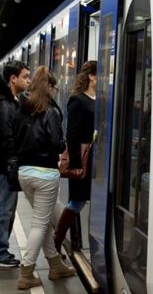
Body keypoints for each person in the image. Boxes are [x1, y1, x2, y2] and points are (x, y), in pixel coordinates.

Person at [14, 66, 75, 290]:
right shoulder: (51, 110)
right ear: (47, 86)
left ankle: (55, 264)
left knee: (44, 220)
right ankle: (26, 271)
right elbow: (57, 143)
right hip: (45, 174)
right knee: (40, 224)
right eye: (53, 86)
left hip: (24, 173)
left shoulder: (21, 107)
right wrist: (65, 148)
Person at [0, 60, 30, 267]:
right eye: (25, 76)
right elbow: (6, 138)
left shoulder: (7, 100)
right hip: (3, 164)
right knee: (2, 208)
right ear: (13, 79)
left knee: (6, 208)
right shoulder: (3, 104)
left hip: (3, 163)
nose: (28, 80)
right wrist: (13, 165)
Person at [53, 60, 97, 254]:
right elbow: (71, 135)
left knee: (96, 200)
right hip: (84, 159)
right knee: (77, 202)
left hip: (99, 160)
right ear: (92, 76)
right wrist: (77, 165)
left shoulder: (102, 99)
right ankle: (57, 240)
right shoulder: (77, 100)